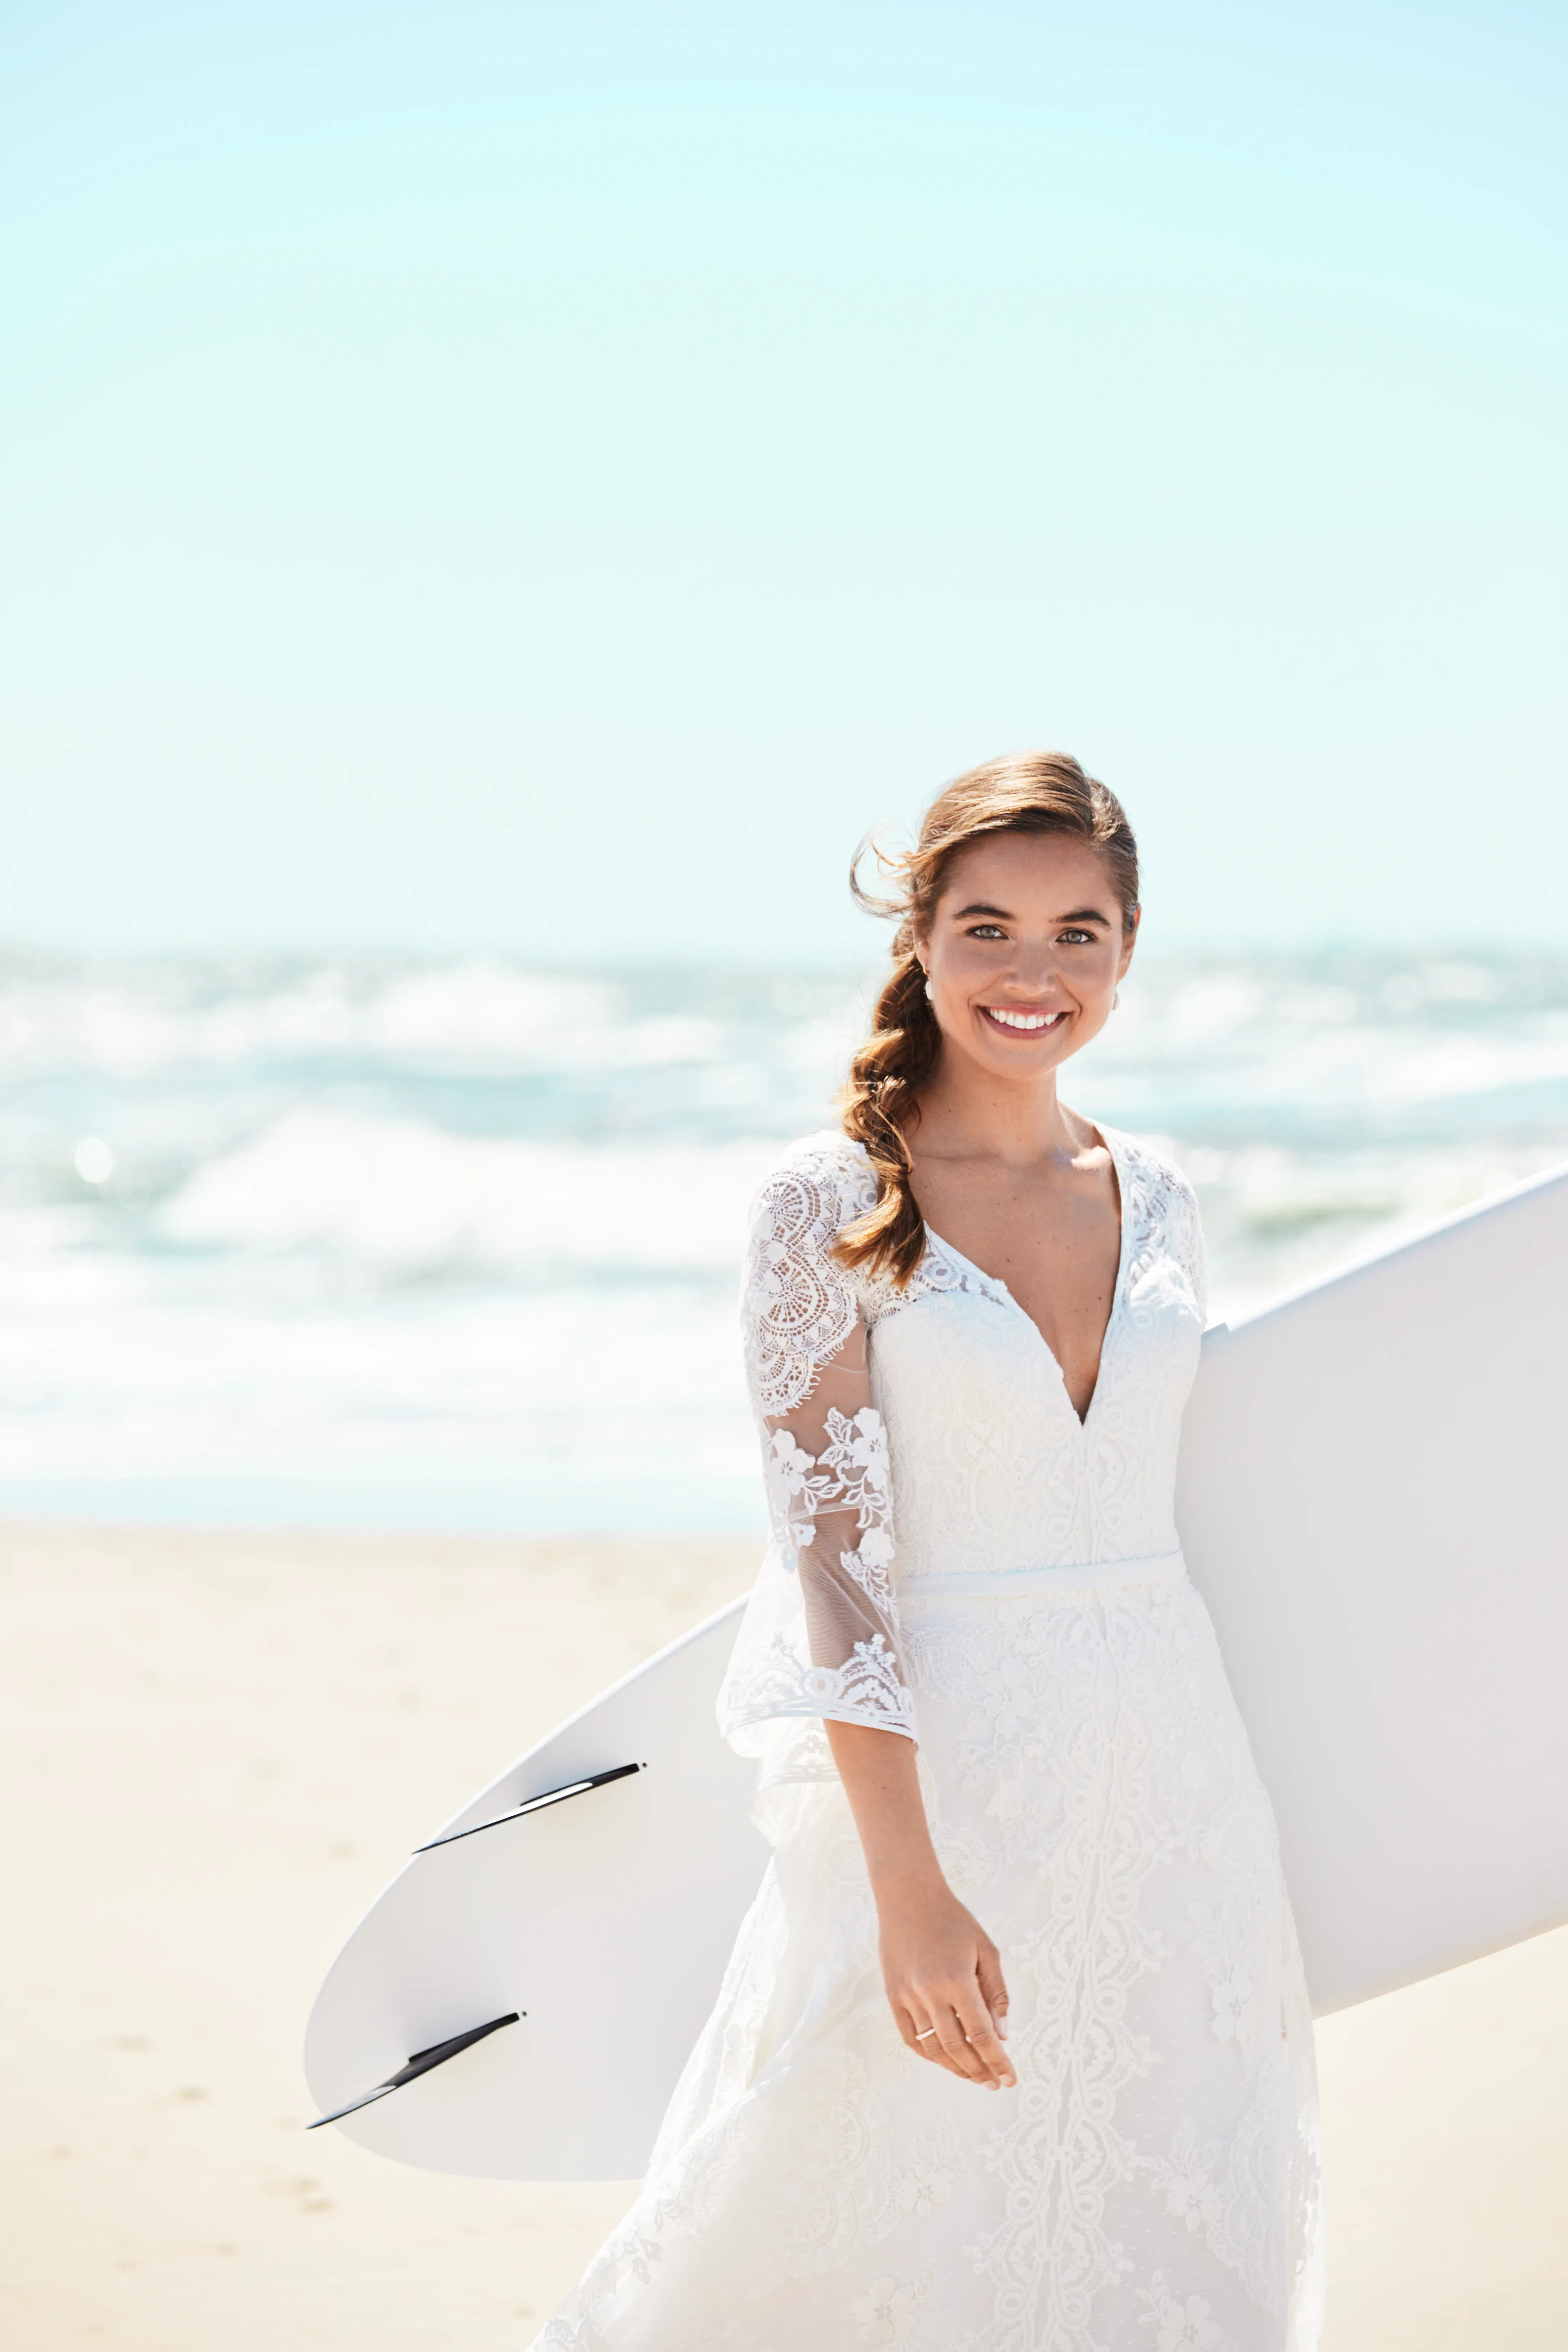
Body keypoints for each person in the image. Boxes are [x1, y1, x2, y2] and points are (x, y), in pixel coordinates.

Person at [534, 753, 1322, 2351]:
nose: (1033, 973)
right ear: (919, 938)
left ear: (1128, 945)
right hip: (943, 1780)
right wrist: (906, 1885)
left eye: (1076, 931)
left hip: (1172, 1771)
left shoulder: (1159, 1192)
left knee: (1161, 2173)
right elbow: (832, 1569)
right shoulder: (823, 1201)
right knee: (862, 2181)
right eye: (987, 928)